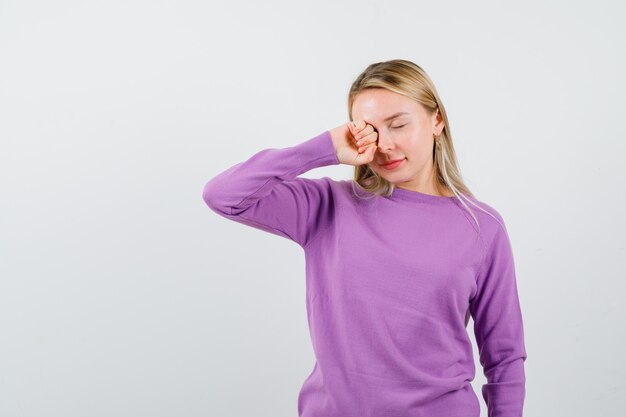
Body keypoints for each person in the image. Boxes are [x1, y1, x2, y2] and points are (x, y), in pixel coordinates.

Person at [202, 59, 527, 417]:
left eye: (399, 125)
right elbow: (224, 195)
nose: (385, 145)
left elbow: (505, 357)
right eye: (369, 130)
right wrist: (323, 148)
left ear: (437, 121)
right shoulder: (328, 206)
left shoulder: (481, 227)